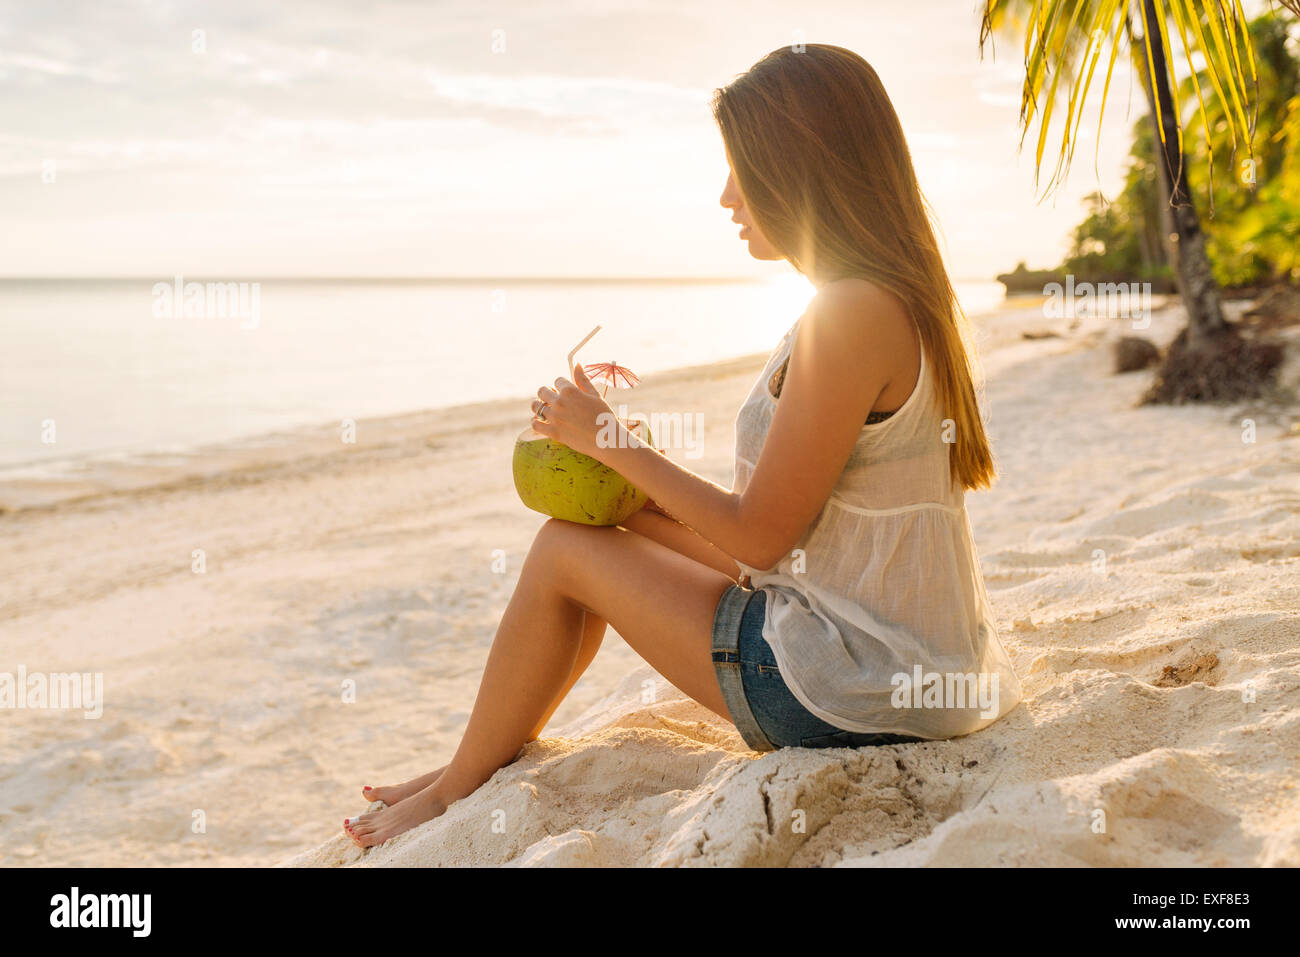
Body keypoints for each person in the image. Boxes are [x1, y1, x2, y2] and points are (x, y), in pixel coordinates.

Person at [344, 43, 1020, 849]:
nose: (727, 194)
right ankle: (476, 759)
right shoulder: (884, 300)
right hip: (903, 669)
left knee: (562, 551)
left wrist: (611, 440)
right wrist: (623, 487)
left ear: (800, 167)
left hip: (847, 688)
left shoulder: (849, 314)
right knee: (592, 531)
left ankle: (458, 784)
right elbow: (776, 548)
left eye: (742, 167)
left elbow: (759, 539)